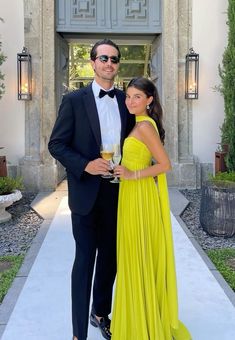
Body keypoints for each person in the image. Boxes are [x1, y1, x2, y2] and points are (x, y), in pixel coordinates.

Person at [48, 39, 134, 340]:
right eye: (103, 58)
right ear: (93, 63)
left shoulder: (127, 102)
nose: (109, 63)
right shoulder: (74, 100)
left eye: (114, 59)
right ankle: (78, 334)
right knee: (85, 260)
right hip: (85, 193)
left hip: (118, 192)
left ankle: (100, 313)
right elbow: (56, 144)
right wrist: (85, 164)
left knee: (110, 258)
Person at [110, 77, 191, 339]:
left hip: (140, 196)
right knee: (133, 255)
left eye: (136, 97)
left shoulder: (145, 126)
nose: (130, 101)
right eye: (128, 96)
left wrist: (132, 175)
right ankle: (140, 315)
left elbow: (165, 165)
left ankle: (142, 323)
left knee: (138, 253)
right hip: (131, 194)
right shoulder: (138, 124)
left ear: (149, 99)